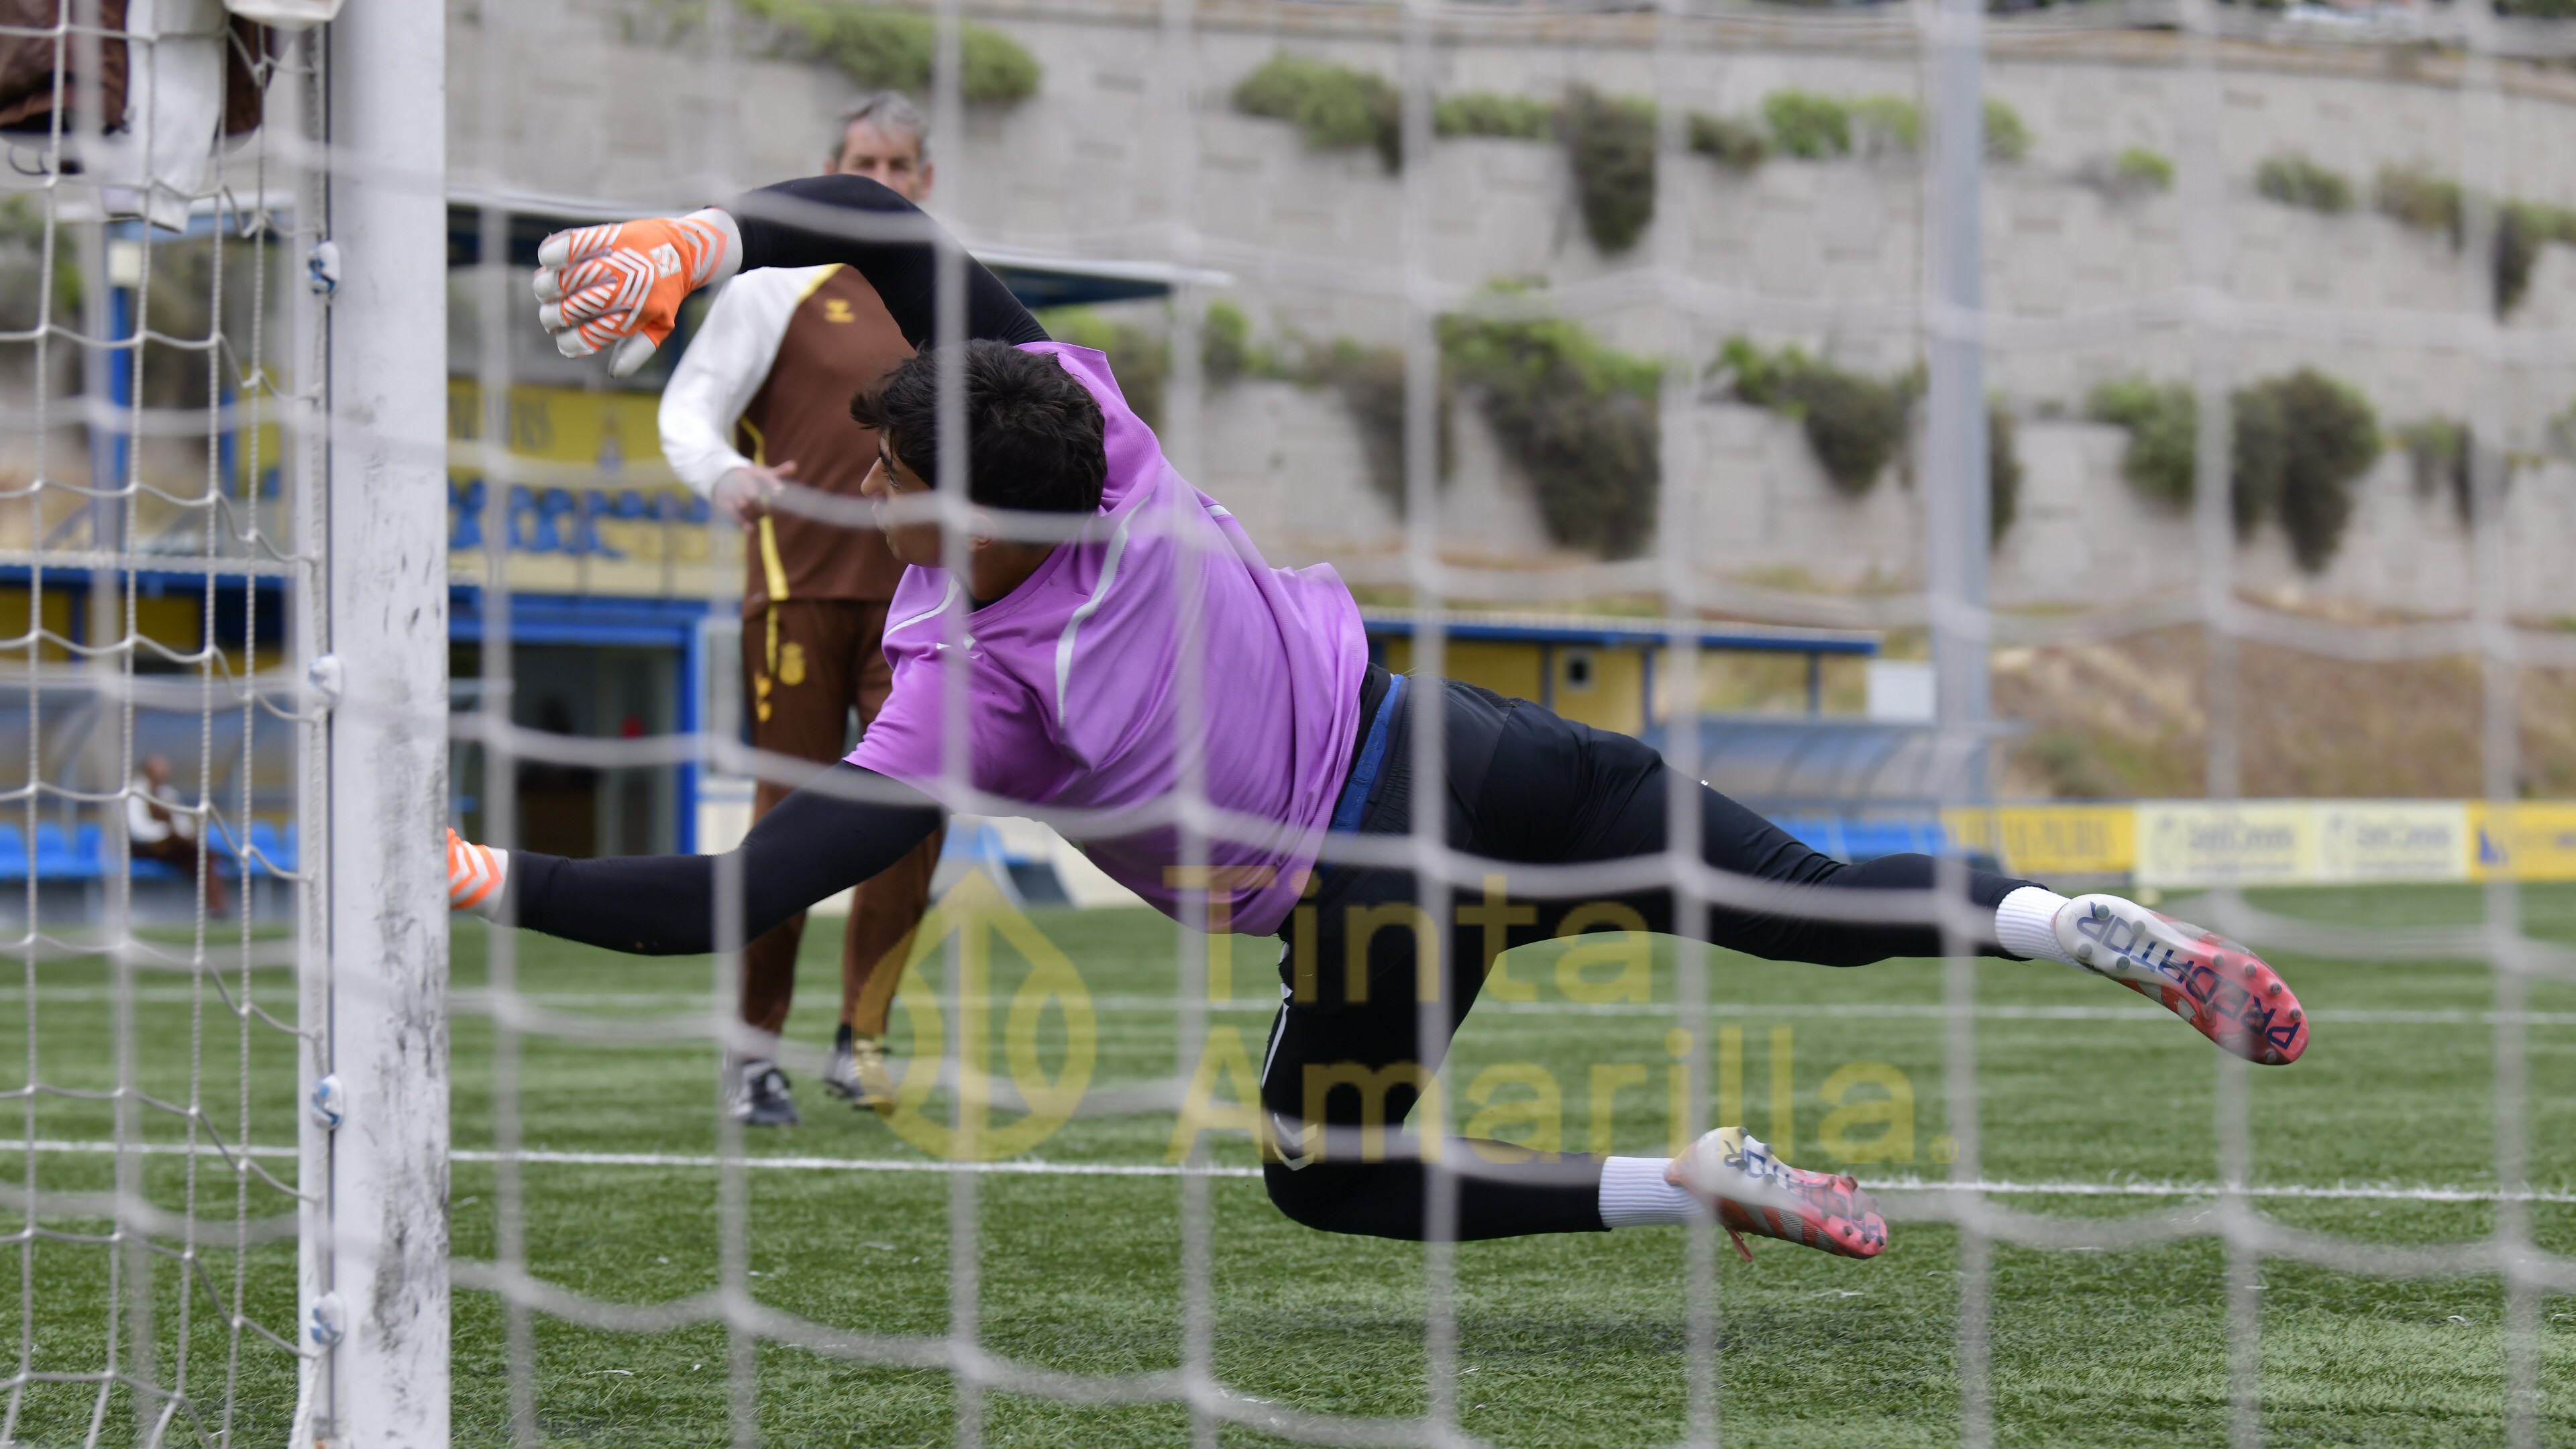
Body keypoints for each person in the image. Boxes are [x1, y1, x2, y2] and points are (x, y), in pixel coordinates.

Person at [488, 174, 2310, 1258]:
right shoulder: (1090, 426)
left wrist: (492, 876)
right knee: (1808, 901)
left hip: (1367, 904)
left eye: (886, 470)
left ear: (950, 508)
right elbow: (882, 221)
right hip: (1479, 750)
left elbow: (732, 896)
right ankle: (2063, 923)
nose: (865, 486)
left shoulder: (974, 686)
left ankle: (1688, 1185)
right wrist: (704, 237)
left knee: (1329, 1185)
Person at [656, 93, 949, 1126]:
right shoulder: (772, 284)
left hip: (925, 607)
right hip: (797, 593)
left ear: (925, 181)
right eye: (861, 158)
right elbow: (688, 411)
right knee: (787, 821)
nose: (881, 175)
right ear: (832, 166)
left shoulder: (943, 296)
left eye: (899, 163)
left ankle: (861, 1041)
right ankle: (752, 1052)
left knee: (916, 818)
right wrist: (723, 475)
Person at [128, 753, 228, 917]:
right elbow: (138, 828)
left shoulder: (169, 794)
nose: (163, 776)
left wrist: (183, 836)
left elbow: (183, 823)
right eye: (159, 772)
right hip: (145, 848)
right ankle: (215, 855)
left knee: (202, 859)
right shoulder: (135, 793)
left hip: (172, 849)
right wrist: (168, 833)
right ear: (148, 772)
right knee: (201, 854)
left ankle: (218, 909)